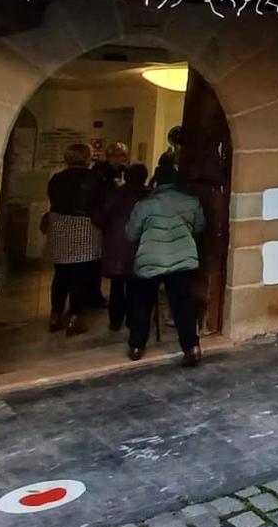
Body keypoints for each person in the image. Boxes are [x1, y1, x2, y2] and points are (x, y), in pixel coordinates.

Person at [124, 157, 206, 365]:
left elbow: (131, 233)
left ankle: (136, 346)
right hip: (182, 257)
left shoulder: (145, 204)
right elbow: (199, 227)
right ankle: (192, 347)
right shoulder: (192, 201)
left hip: (150, 258)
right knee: (183, 304)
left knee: (142, 303)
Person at [41, 142, 103, 335]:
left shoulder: (57, 179)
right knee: (80, 275)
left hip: (60, 226)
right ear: (86, 157)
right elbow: (102, 201)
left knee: (61, 275)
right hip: (85, 227)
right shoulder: (96, 178)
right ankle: (75, 317)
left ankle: (55, 314)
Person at [95, 162, 149, 332]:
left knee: (117, 286)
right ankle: (133, 320)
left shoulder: (114, 194)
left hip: (117, 246)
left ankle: (115, 320)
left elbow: (100, 217)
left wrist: (108, 230)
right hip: (141, 246)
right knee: (136, 286)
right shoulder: (148, 196)